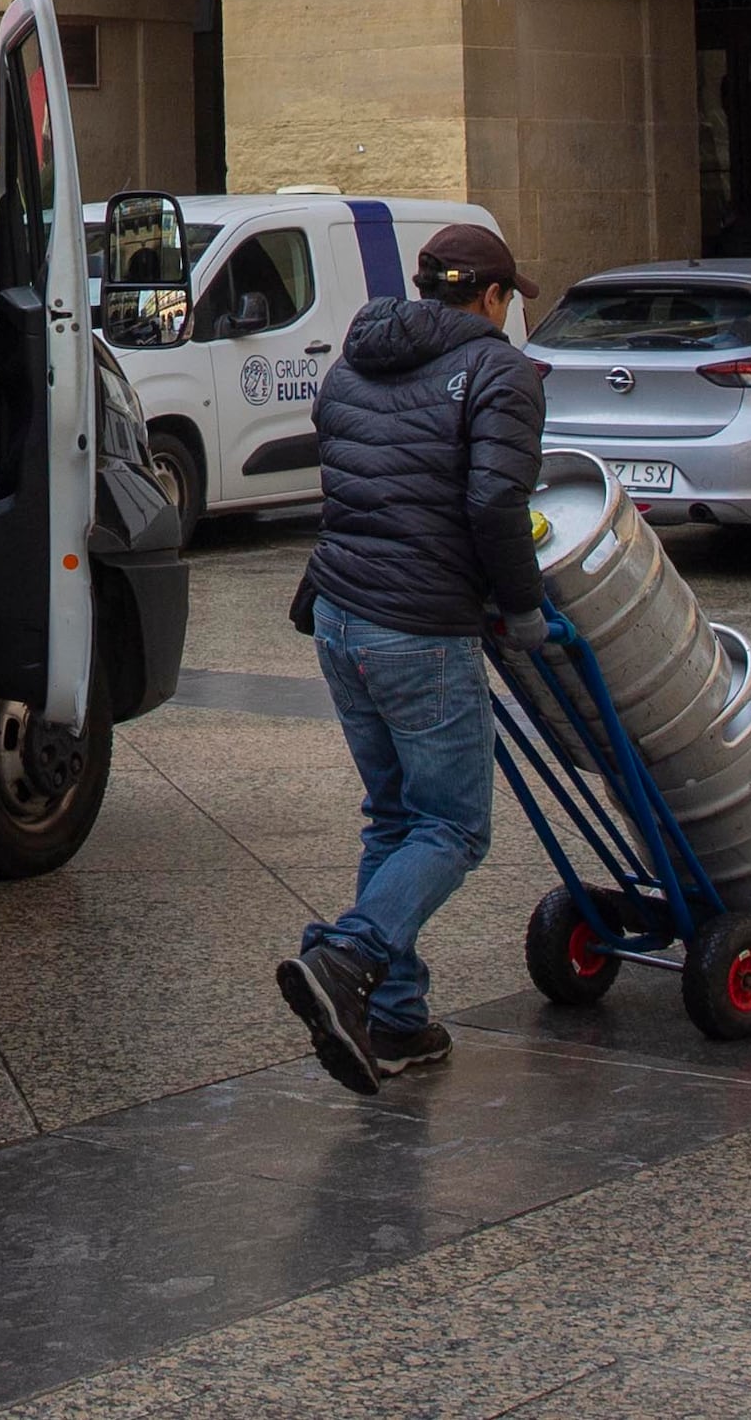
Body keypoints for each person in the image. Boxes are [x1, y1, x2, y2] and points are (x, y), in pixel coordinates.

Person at [275, 220, 547, 1093]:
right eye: (510, 299)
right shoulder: (499, 371)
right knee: (454, 826)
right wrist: (524, 608)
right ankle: (349, 957)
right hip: (420, 627)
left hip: (340, 617)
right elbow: (497, 504)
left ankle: (391, 1018)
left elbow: (348, 472)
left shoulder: (354, 360)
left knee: (393, 818)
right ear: (494, 298)